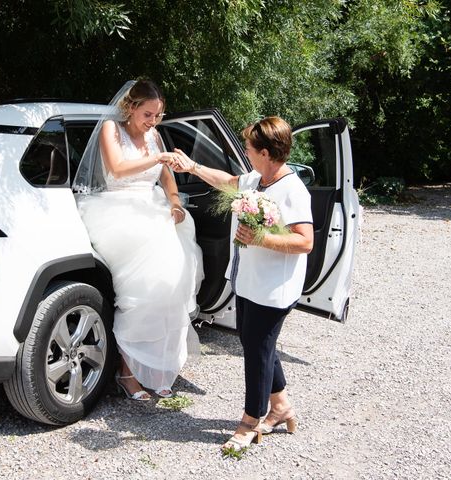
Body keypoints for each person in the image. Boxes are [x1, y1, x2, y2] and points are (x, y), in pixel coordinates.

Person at [171, 116, 313, 450]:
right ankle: (281, 408)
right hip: (249, 281)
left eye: (250, 148)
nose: (247, 153)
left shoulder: (292, 189)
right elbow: (227, 181)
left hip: (273, 289)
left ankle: (251, 421)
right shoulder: (256, 178)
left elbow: (305, 241)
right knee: (256, 343)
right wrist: (192, 167)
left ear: (266, 152)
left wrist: (262, 237)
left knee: (256, 349)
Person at [73, 80, 204, 401]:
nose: (153, 122)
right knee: (139, 297)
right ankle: (127, 373)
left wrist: (174, 202)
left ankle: (158, 370)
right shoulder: (110, 129)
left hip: (155, 211)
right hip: (119, 213)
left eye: (158, 116)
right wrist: (158, 159)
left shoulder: (154, 136)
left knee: (170, 294)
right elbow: (117, 169)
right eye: (148, 114)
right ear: (131, 108)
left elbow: (167, 176)